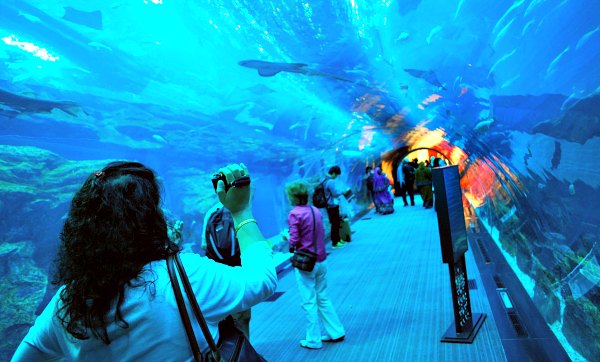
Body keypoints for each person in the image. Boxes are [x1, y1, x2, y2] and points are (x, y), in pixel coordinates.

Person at [12, 161, 277, 361]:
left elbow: (27, 354)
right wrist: (241, 211)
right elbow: (262, 280)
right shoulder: (186, 277)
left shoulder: (67, 303)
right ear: (148, 218)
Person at [285, 180, 346, 350]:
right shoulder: (315, 211)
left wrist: (286, 238)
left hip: (306, 264)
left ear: (293, 197)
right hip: (321, 260)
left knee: (309, 301)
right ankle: (336, 331)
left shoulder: (294, 214)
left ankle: (313, 339)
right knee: (323, 297)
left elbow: (294, 240)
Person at [203, 201, 252, 338]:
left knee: (227, 315)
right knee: (244, 315)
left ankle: (234, 351)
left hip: (220, 271)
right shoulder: (240, 210)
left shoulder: (211, 213)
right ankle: (247, 350)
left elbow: (203, 244)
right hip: (239, 266)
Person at [324, 166, 349, 249]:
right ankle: (335, 242)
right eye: (337, 175)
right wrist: (342, 192)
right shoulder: (330, 181)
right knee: (335, 223)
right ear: (334, 173)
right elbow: (334, 194)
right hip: (332, 205)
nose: (337, 177)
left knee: (335, 223)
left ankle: (337, 239)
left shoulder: (325, 180)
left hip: (329, 205)